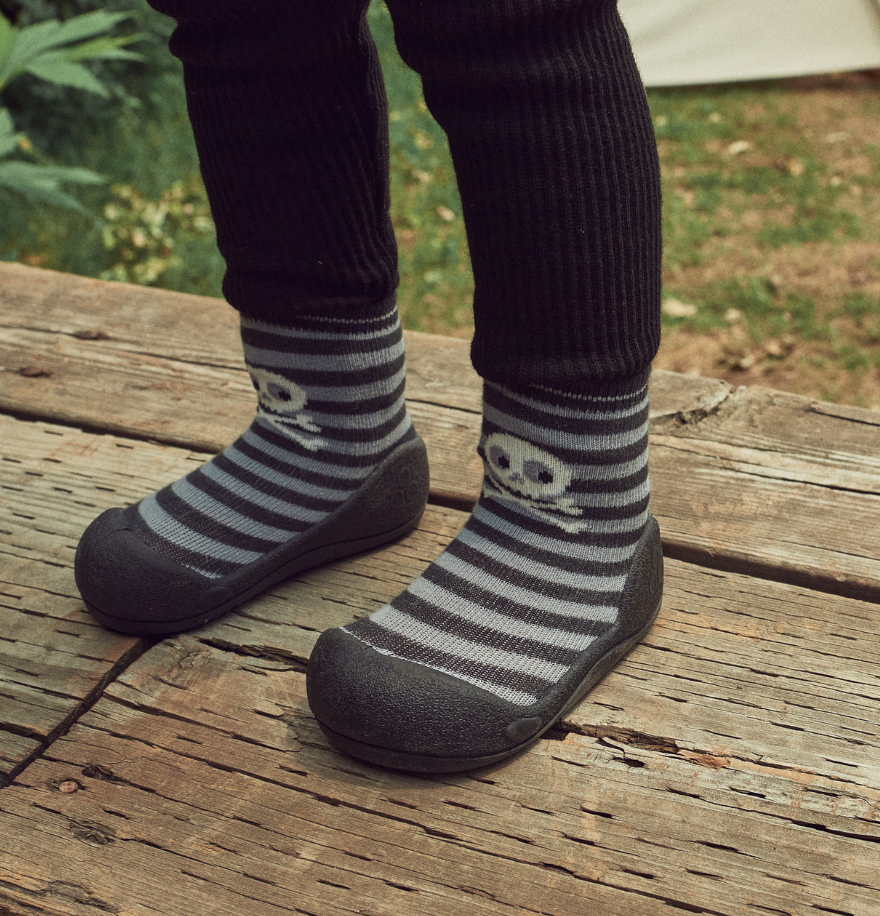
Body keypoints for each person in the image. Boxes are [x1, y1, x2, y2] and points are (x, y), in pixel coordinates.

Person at [74, 0, 663, 773]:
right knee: (244, 13)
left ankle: (572, 516)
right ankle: (324, 434)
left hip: (571, 516)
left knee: (506, 17)